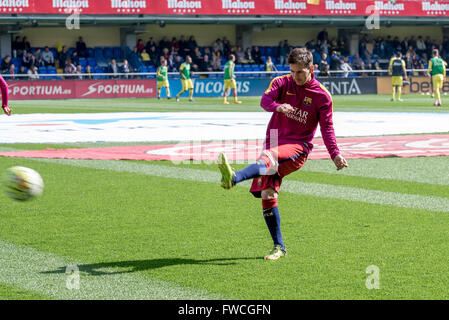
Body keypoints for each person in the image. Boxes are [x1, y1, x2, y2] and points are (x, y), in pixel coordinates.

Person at [217, 47, 347, 260]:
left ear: (311, 69)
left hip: (298, 147)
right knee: (268, 194)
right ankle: (279, 247)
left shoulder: (322, 96)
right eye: (292, 71)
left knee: (269, 158)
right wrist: (277, 107)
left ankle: (234, 177)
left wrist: (335, 154)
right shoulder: (281, 82)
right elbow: (264, 101)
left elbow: (327, 128)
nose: (295, 77)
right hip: (274, 141)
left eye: (300, 72)